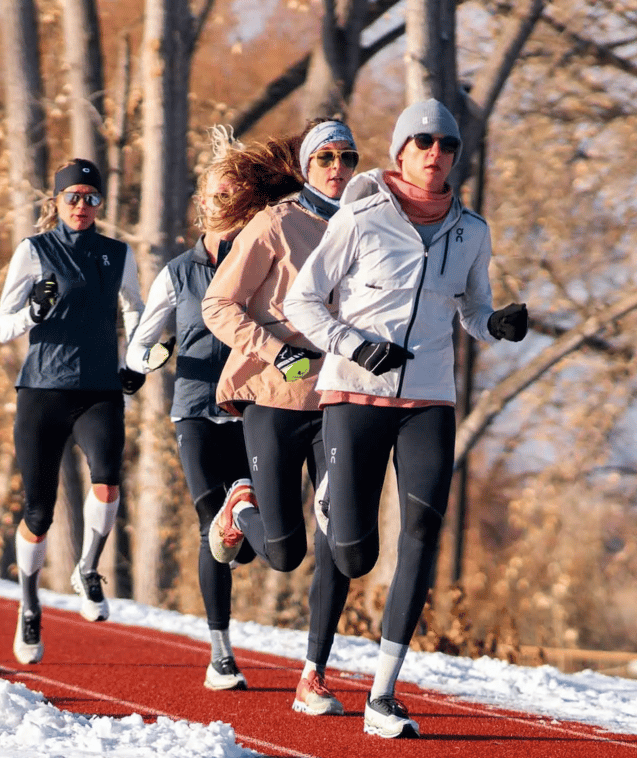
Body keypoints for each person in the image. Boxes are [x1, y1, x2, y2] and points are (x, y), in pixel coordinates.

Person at [283, 99, 528, 738]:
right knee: (354, 554)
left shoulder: (471, 230)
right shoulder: (361, 219)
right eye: (422, 142)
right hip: (353, 394)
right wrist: (352, 343)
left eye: (445, 144)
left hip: (427, 399)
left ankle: (384, 693)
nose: (434, 153)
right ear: (399, 153)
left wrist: (495, 324)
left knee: (421, 527)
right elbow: (301, 301)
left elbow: (472, 311)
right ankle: (315, 659)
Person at [202, 119, 359, 717]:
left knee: (339, 532)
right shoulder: (276, 224)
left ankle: (313, 675)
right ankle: (242, 507)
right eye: (326, 158)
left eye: (348, 157)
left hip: (341, 395)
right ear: (307, 166)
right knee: (287, 552)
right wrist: (275, 350)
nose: (338, 168)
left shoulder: (366, 226)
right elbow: (218, 303)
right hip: (273, 392)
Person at [121, 127, 273, 691]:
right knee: (215, 527)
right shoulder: (178, 272)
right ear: (201, 207)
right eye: (212, 197)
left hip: (253, 410)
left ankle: (245, 525)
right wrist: (150, 355)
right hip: (194, 412)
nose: (220, 205)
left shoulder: (266, 263)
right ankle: (221, 654)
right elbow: (142, 341)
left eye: (231, 195)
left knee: (256, 540)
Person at [0, 158, 145, 665]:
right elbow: (1, 328)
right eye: (73, 197)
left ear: (102, 203)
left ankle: (87, 568)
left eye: (91, 197)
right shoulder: (34, 251)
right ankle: (30, 603)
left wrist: (136, 361)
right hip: (42, 391)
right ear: (55, 203)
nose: (82, 206)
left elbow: (136, 310)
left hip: (99, 388)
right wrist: (34, 310)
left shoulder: (118, 254)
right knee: (38, 511)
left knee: (107, 478)